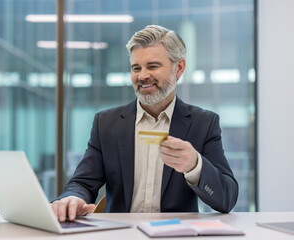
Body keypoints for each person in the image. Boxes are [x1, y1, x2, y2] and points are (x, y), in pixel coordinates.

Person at [51, 25, 238, 222]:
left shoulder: (204, 123)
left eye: (153, 66)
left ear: (179, 68)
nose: (142, 76)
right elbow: (83, 182)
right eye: (136, 68)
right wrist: (73, 197)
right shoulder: (106, 123)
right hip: (120, 233)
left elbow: (227, 199)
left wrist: (194, 165)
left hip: (175, 235)